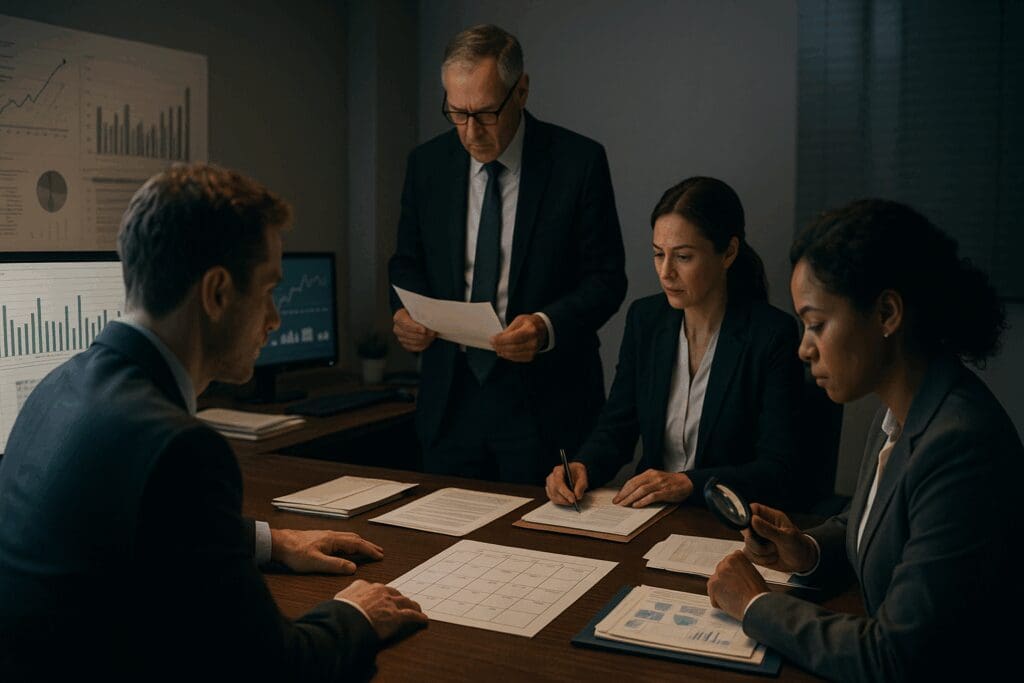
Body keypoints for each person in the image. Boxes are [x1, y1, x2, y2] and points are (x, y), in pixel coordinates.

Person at [0, 164, 427, 681]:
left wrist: (272, 542)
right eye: (268, 289)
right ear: (218, 292)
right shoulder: (178, 447)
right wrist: (358, 613)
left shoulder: (58, 387)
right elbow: (276, 670)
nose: (274, 318)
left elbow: (140, 527)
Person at [707, 199, 1022, 680]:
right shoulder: (901, 407)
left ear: (886, 312)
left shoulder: (961, 445)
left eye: (816, 324)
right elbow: (876, 521)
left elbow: (894, 658)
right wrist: (805, 549)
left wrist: (755, 603)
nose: (803, 347)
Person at [388, 24, 626, 484]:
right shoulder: (427, 164)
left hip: (546, 400)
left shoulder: (578, 162)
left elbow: (606, 278)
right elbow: (406, 261)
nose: (470, 132)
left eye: (485, 113)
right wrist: (403, 311)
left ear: (522, 90)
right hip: (450, 400)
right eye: (456, 113)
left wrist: (545, 326)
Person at [546, 177, 802, 509]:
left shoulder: (771, 334)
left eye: (682, 257)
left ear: (729, 253)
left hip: (727, 520)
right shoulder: (645, 319)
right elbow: (617, 428)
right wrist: (583, 466)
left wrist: (687, 484)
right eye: (658, 254)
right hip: (649, 514)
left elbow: (777, 468)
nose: (665, 272)